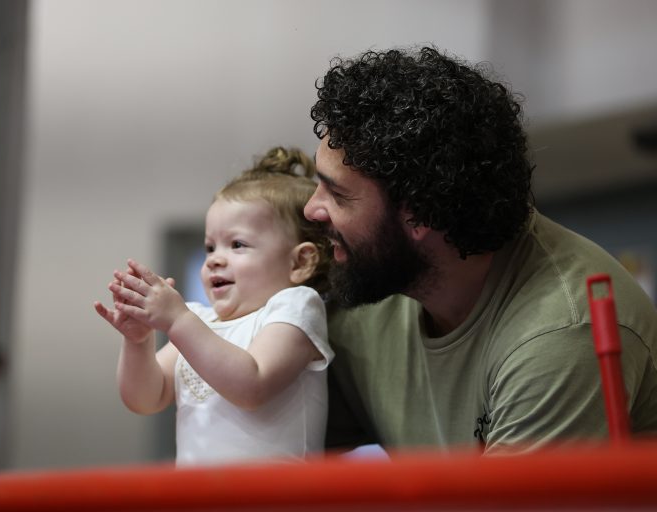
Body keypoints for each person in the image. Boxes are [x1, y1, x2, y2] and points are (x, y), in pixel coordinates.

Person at [303, 46, 657, 454]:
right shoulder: (373, 282)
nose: (311, 209)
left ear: (419, 215)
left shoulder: (560, 332)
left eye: (337, 195)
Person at [94, 147, 334, 466]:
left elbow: (252, 386)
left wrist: (178, 321)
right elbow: (145, 399)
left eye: (237, 244)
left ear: (300, 263)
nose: (215, 260)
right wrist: (138, 342)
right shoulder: (200, 320)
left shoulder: (296, 307)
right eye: (210, 247)